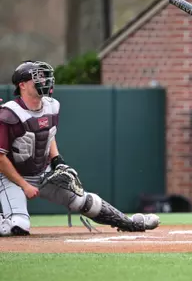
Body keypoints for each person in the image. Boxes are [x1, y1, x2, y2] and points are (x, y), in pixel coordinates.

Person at [0, 60, 160, 236]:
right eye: (37, 78)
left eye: (45, 77)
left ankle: (129, 223)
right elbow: (0, 157)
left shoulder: (52, 106)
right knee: (18, 226)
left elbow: (47, 135)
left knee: (84, 201)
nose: (44, 82)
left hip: (41, 172)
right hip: (11, 176)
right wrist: (24, 185)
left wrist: (57, 161)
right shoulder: (9, 113)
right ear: (22, 85)